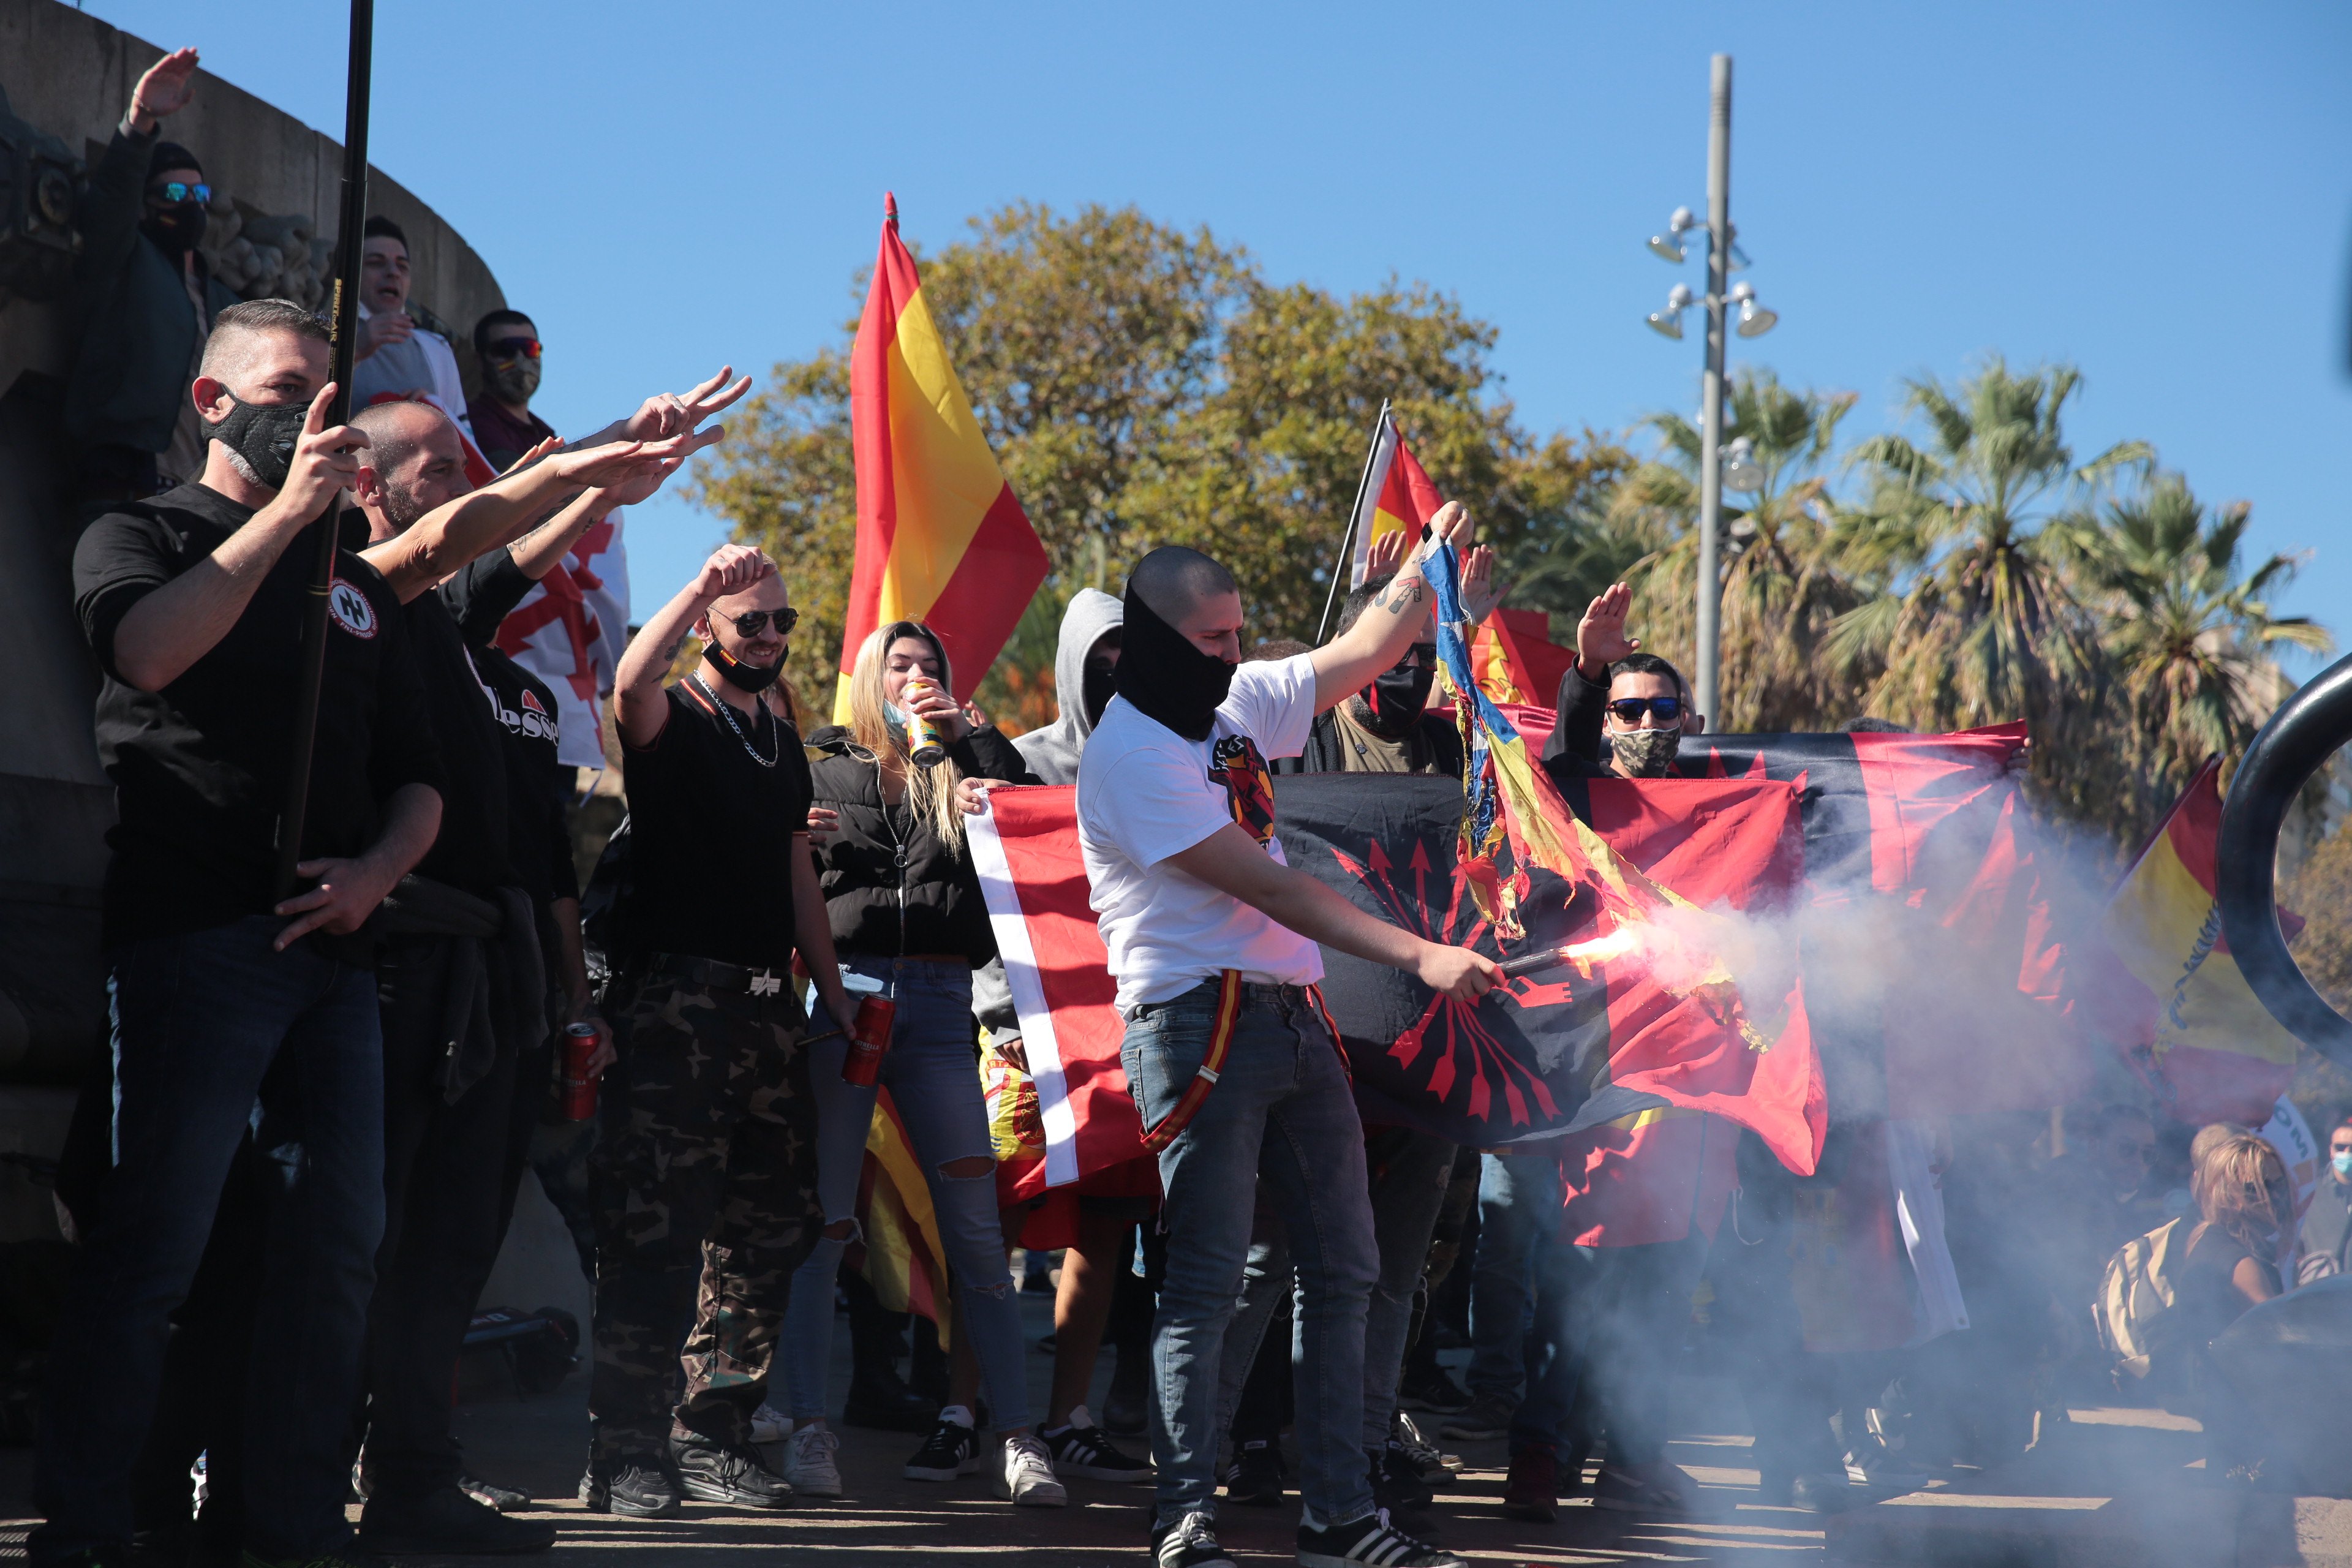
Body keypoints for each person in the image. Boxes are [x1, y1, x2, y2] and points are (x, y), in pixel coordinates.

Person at [36, 299, 449, 1568]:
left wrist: (377, 871)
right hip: (195, 942)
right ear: (214, 403)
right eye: (289, 389)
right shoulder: (141, 529)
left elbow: (418, 779)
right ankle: (96, 1520)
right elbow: (148, 652)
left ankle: (283, 1518)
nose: (317, 414)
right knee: (155, 1246)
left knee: (335, 1250)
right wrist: (281, 519)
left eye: (331, 393)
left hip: (336, 960)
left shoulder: (354, 586)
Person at [1077, 522, 1497, 1568]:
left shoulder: (1238, 702)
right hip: (1197, 1027)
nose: (1231, 654)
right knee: (1209, 1281)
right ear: (1153, 640)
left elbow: (1362, 650)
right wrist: (1420, 955)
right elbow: (1268, 884)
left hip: (1294, 1018)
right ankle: (1184, 1517)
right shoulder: (1128, 752)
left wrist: (1426, 568)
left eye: (1237, 634)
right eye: (1211, 638)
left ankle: (1341, 1515)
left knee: (1346, 1268)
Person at [341, 399, 696, 1550]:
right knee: (357, 1235)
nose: (458, 484)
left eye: (465, 467)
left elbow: (500, 556)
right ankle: (286, 1468)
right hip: (397, 959)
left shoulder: (478, 652)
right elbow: (471, 539)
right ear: (366, 489)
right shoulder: (360, 594)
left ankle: (414, 1476)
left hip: (495, 981)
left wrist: (605, 485)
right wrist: (586, 466)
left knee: (454, 1240)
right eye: (435, 467)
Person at [583, 545, 855, 1517]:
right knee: (655, 1238)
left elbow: (798, 881)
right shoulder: (676, 715)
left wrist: (836, 997)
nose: (771, 639)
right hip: (673, 1013)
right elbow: (627, 681)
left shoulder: (780, 732)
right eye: (752, 622)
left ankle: (714, 1438)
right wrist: (699, 584)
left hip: (770, 1014)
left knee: (767, 1235)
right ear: (711, 626)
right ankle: (623, 1449)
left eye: (784, 623)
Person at [774, 620, 1067, 1505]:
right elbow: (766, 872)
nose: (915, 677)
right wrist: (794, 833)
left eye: (930, 666)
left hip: (942, 1012)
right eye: (900, 665)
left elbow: (1029, 811)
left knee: (977, 1233)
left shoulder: (961, 771)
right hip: (846, 1000)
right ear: (868, 677)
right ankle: (808, 1428)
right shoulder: (819, 766)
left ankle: (1019, 1437)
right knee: (826, 1226)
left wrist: (971, 732)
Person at [65, 45, 245, 507]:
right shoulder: (125, 259)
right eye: (173, 191)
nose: (190, 202)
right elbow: (110, 205)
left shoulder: (221, 297)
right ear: (148, 202)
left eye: (199, 191)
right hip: (125, 481)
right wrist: (141, 119)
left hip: (203, 494)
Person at [1540, 583, 1703, 780]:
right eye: (1629, 709)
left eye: (1665, 708)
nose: (1648, 722)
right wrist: (1591, 664)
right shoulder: (1582, 789)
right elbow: (1570, 752)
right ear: (1605, 724)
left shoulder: (1702, 798)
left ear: (1681, 719)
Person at [352, 216, 470, 425]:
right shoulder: (320, 335)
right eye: (376, 263)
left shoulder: (436, 349)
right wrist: (355, 352)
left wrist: (434, 409)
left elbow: (463, 440)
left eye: (402, 266)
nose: (393, 273)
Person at [467, 310, 558, 472]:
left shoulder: (545, 432)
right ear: (480, 361)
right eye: (506, 349)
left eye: (530, 349)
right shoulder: (472, 421)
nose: (520, 359)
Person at [2298, 1118, 2352, 1281]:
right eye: (2340, 1147)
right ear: (2331, 1150)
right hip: (2321, 1294)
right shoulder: (2310, 1193)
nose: (2347, 1153)